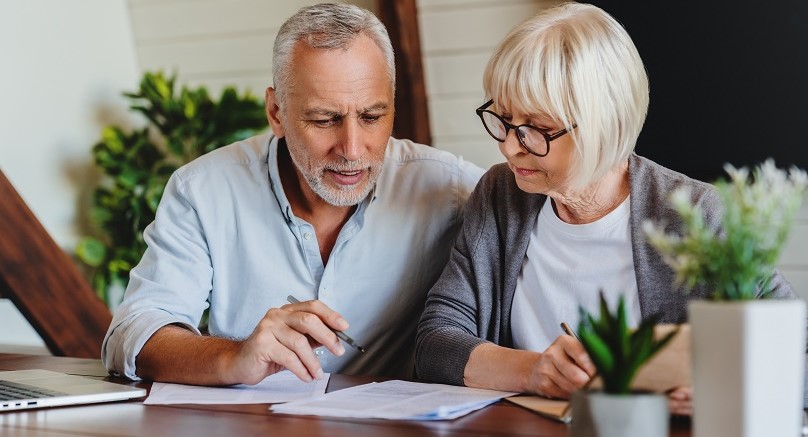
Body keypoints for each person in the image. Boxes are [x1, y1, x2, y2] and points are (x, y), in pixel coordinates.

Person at [414, 2, 799, 416]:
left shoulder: (698, 216)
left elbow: (799, 352)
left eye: (538, 129)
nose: (509, 146)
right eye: (504, 120)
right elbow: (435, 342)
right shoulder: (500, 195)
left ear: (605, 123)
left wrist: (725, 388)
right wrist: (533, 370)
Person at [102, 3, 483, 386]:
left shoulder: (449, 189)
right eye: (324, 119)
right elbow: (132, 333)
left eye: (372, 117)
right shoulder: (203, 191)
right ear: (276, 113)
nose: (352, 149)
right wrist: (234, 357)